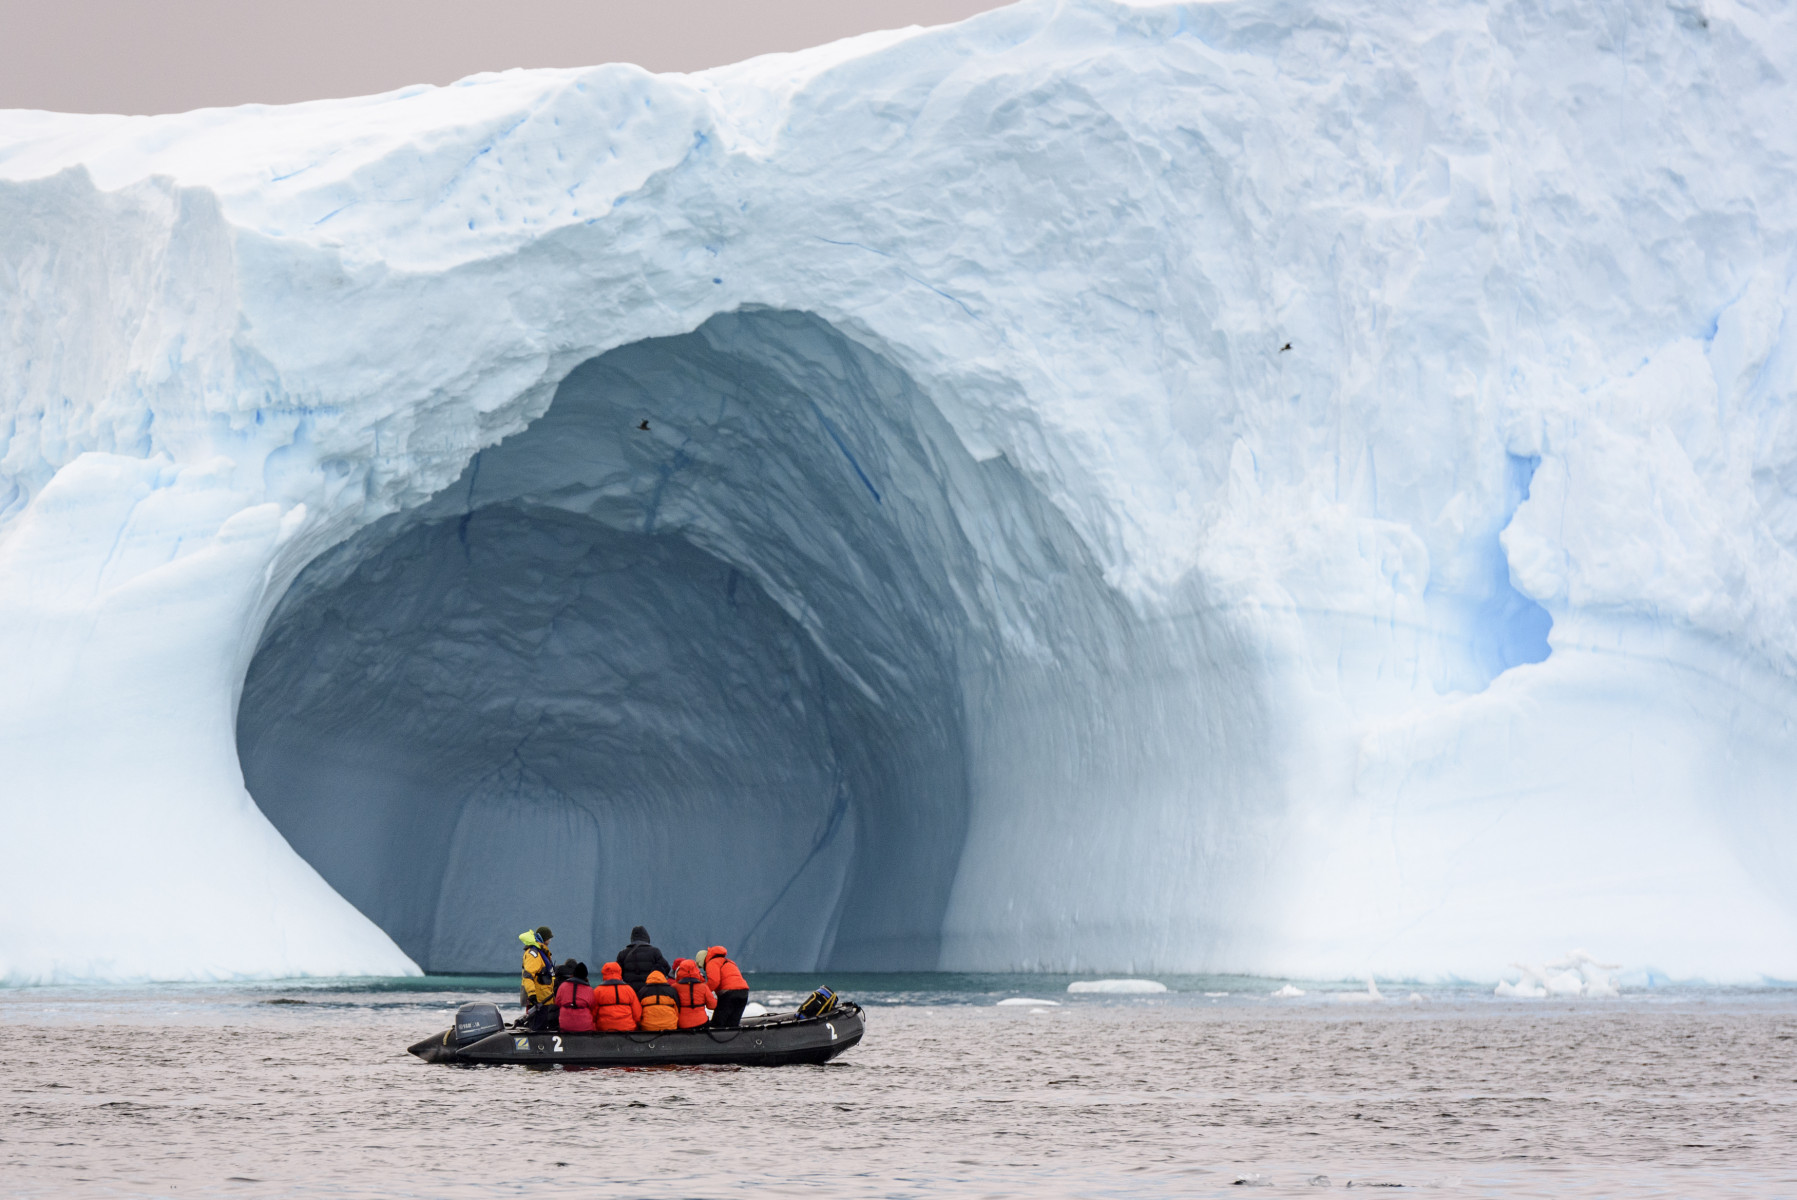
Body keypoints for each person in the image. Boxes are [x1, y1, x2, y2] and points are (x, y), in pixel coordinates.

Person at [698, 945, 750, 1028]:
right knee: (733, 1024)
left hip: (729, 994)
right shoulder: (729, 961)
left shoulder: (711, 963)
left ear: (703, 961)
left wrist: (702, 992)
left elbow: (714, 982)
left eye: (701, 966)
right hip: (744, 993)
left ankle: (714, 1039)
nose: (703, 969)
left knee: (718, 1024)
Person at [591, 961, 643, 1032]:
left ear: (604, 973)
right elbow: (638, 1015)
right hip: (628, 1029)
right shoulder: (629, 990)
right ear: (619, 972)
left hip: (604, 1029)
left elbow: (592, 1015)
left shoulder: (598, 991)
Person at [552, 961, 597, 1033]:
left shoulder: (563, 986)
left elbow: (557, 1002)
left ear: (573, 974)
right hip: (585, 1027)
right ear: (585, 976)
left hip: (565, 1025)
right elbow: (593, 1006)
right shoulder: (589, 989)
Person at [670, 958, 715, 1030]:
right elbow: (712, 1005)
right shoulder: (703, 987)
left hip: (681, 1023)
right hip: (701, 1022)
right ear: (696, 970)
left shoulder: (674, 987)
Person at [519, 926, 555, 1008]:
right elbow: (528, 975)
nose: (550, 940)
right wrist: (532, 994)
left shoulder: (542, 953)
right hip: (537, 1001)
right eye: (549, 938)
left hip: (544, 998)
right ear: (545, 938)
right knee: (537, 1021)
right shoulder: (534, 954)